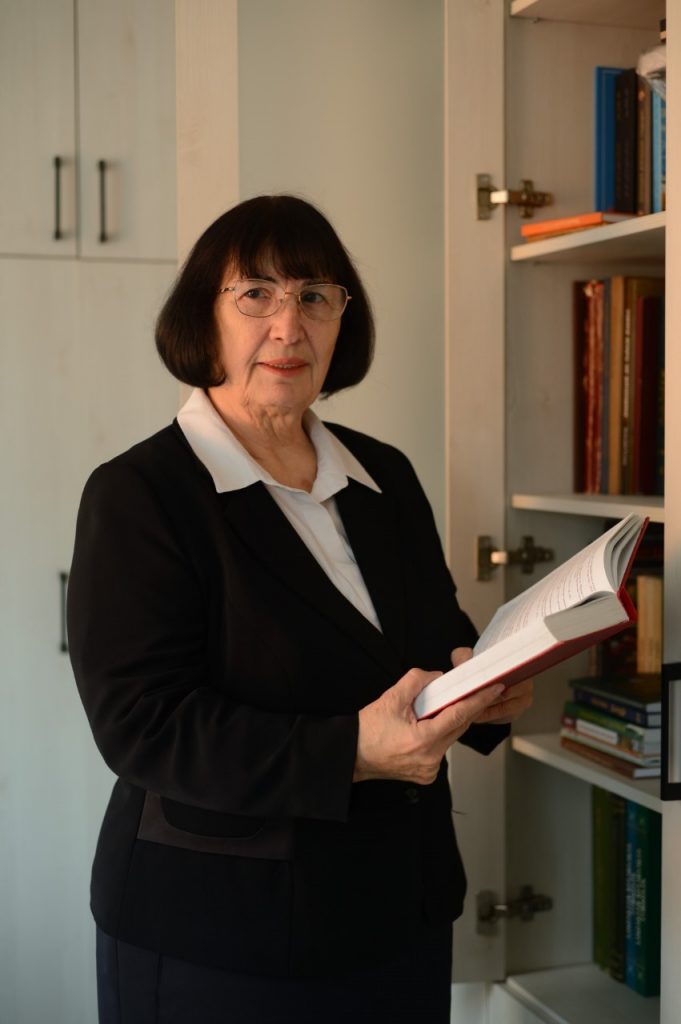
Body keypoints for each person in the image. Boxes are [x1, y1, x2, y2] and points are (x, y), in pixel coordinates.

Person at [67, 194, 532, 1024]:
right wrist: (350, 751)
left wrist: (485, 683)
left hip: (401, 909)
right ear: (202, 318)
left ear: (342, 320)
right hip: (220, 936)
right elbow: (143, 727)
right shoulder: (140, 493)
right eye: (256, 294)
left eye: (314, 296)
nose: (289, 326)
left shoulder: (384, 475)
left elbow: (434, 638)